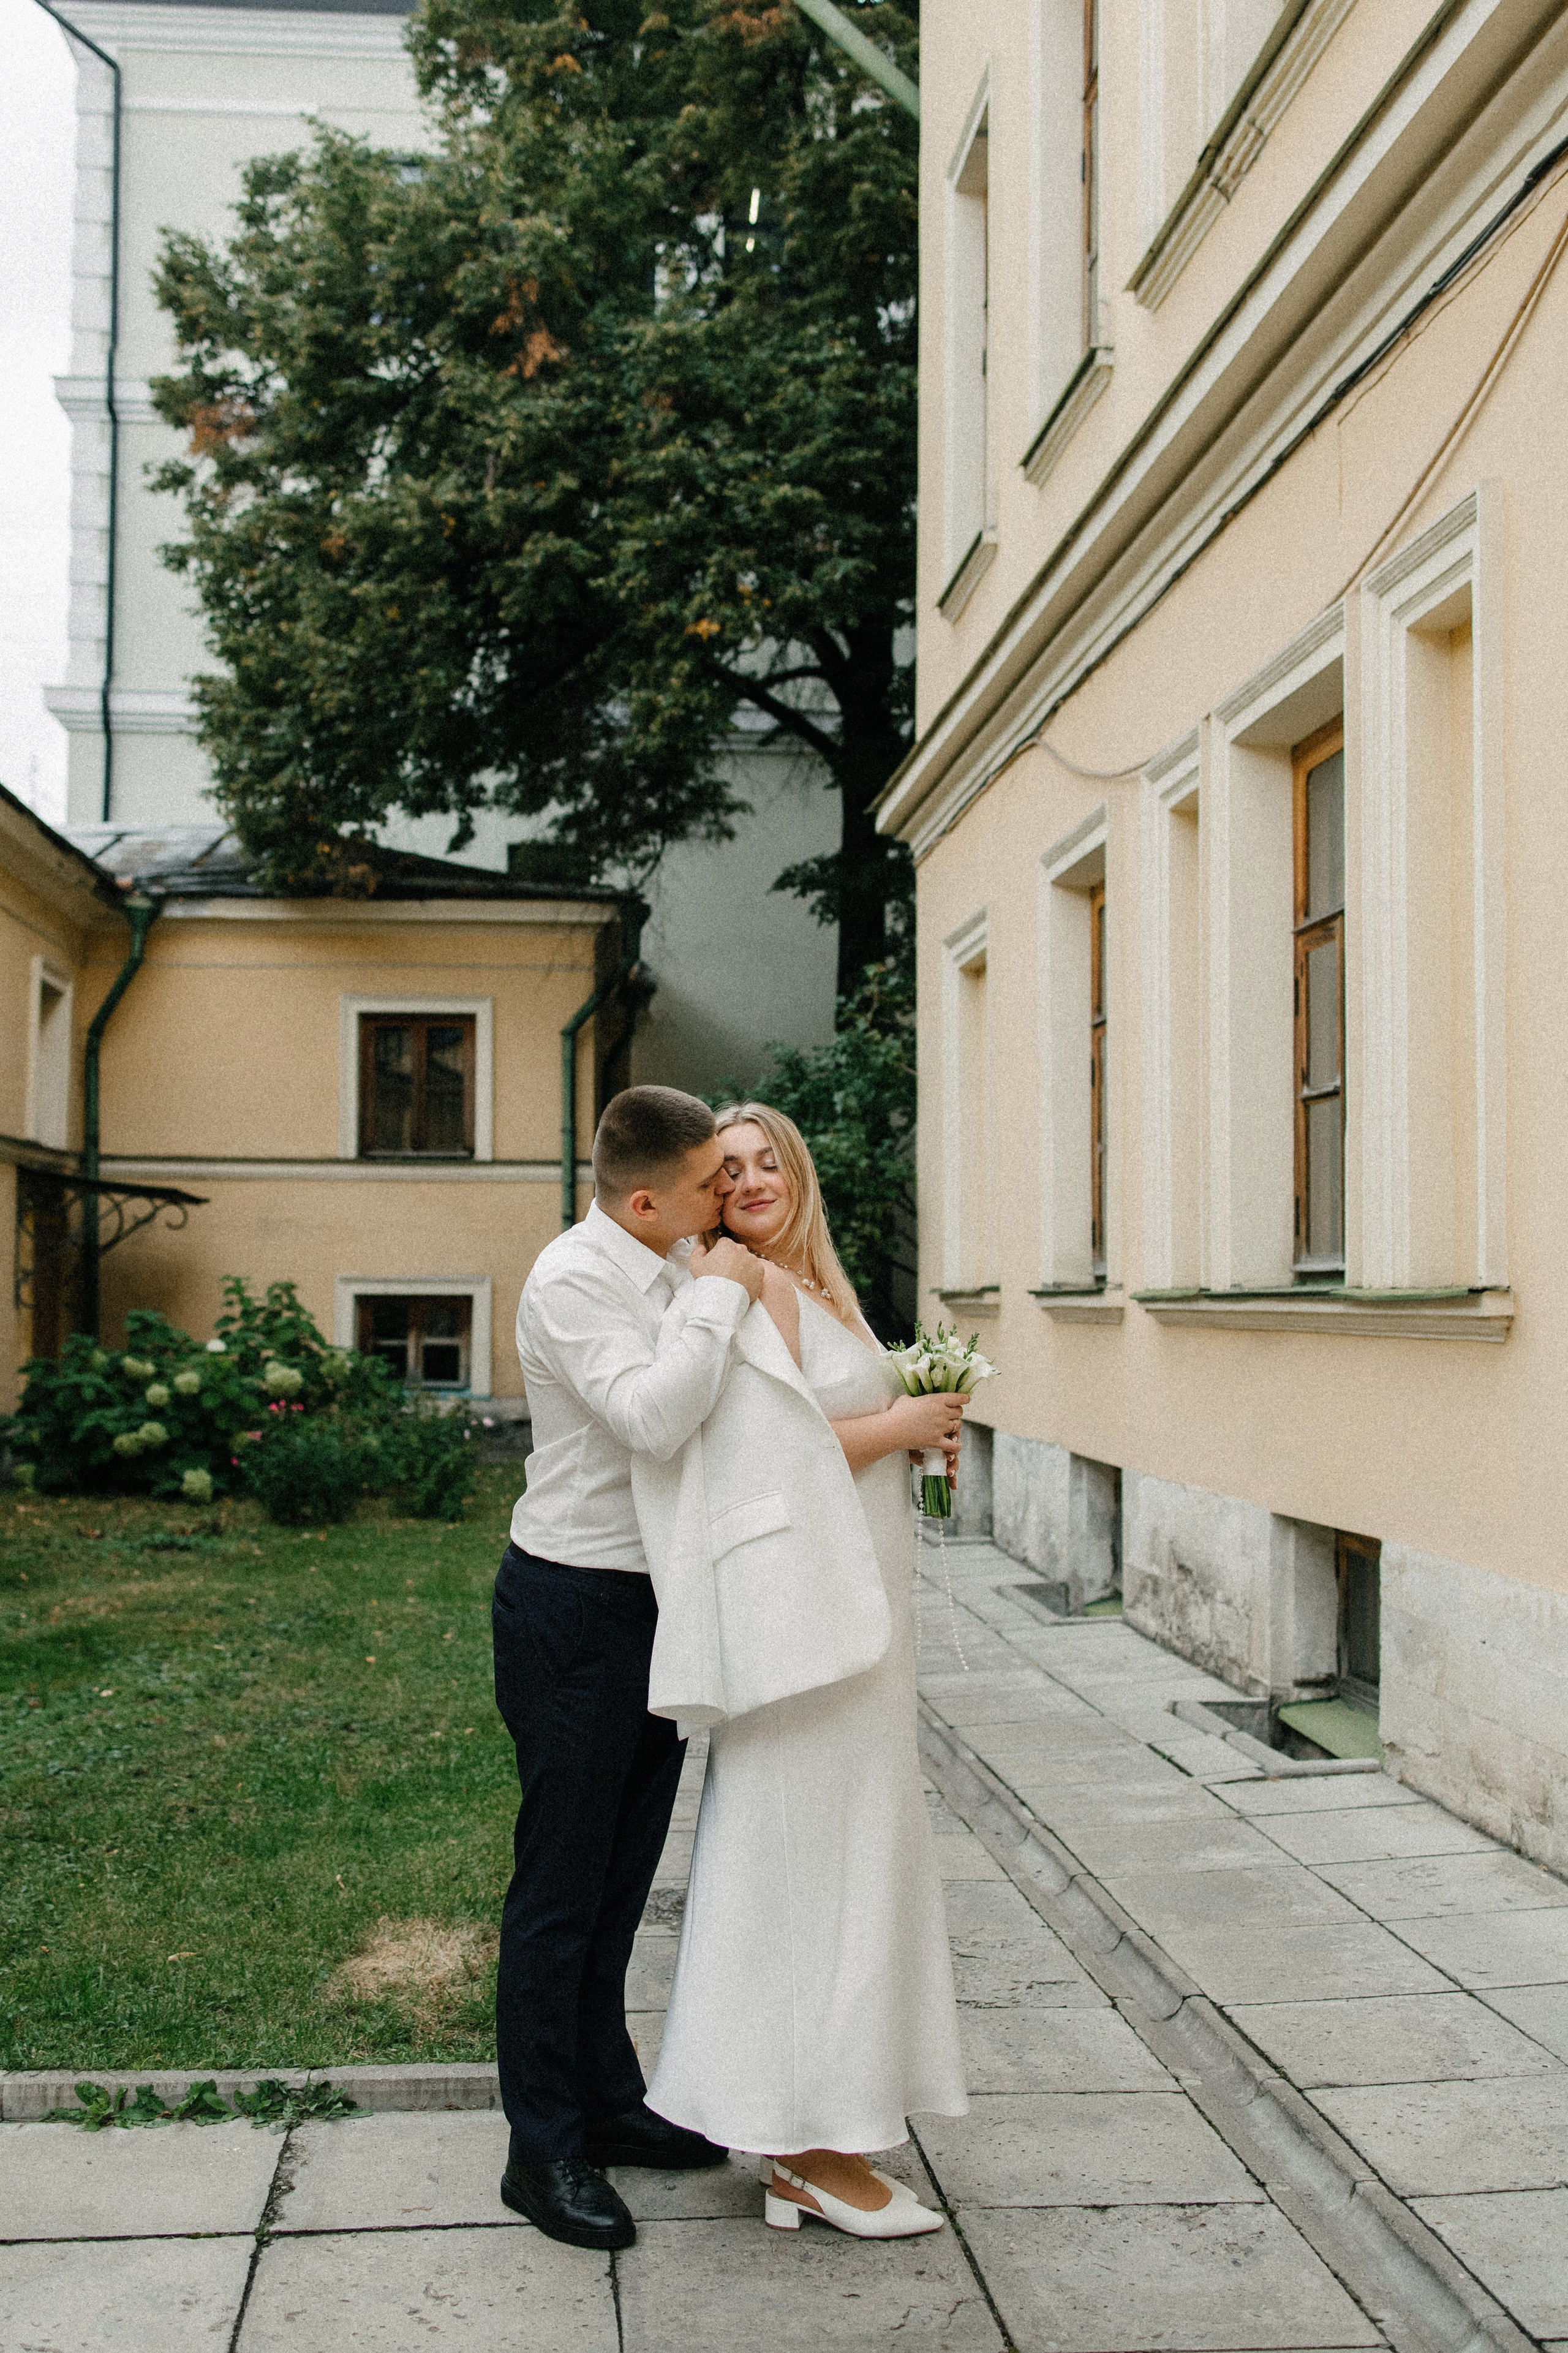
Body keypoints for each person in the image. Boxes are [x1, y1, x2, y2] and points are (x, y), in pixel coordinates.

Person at [644, 1100, 970, 2237]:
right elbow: (766, 1449)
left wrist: (920, 1431)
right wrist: (900, 1423)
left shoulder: (819, 1283)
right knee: (796, 1867)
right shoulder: (745, 1285)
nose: (748, 1180)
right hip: (802, 1625)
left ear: (796, 1168)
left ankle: (823, 2124)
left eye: (763, 1158)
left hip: (862, 1613)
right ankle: (796, 2143)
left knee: (851, 1863)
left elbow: (845, 1419)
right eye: (724, 1170)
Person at [493, 1085, 767, 2253]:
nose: (731, 1195)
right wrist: (718, 1298)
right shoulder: (577, 1280)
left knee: (619, 1876)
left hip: (653, 1602)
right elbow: (655, 1420)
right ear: (648, 1197)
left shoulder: (665, 1259)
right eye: (713, 1180)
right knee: (561, 1886)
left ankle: (608, 2098)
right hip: (576, 1607)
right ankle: (540, 2146)